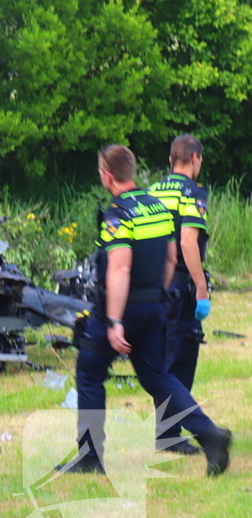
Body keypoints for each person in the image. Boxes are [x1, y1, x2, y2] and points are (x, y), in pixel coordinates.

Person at [65, 145, 231, 477]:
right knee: (157, 376)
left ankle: (90, 456)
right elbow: (171, 258)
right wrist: (156, 295)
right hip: (156, 306)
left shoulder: (118, 213)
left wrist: (114, 320)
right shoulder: (155, 207)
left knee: (89, 372)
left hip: (122, 309)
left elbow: (120, 269)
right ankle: (209, 434)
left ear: (107, 175)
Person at [148, 135, 209, 455]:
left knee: (162, 357)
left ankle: (167, 429)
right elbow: (188, 243)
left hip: (154, 283)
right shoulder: (193, 193)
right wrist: (201, 287)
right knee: (181, 359)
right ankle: (169, 433)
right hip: (181, 285)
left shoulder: (153, 192)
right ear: (195, 158)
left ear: (171, 160)